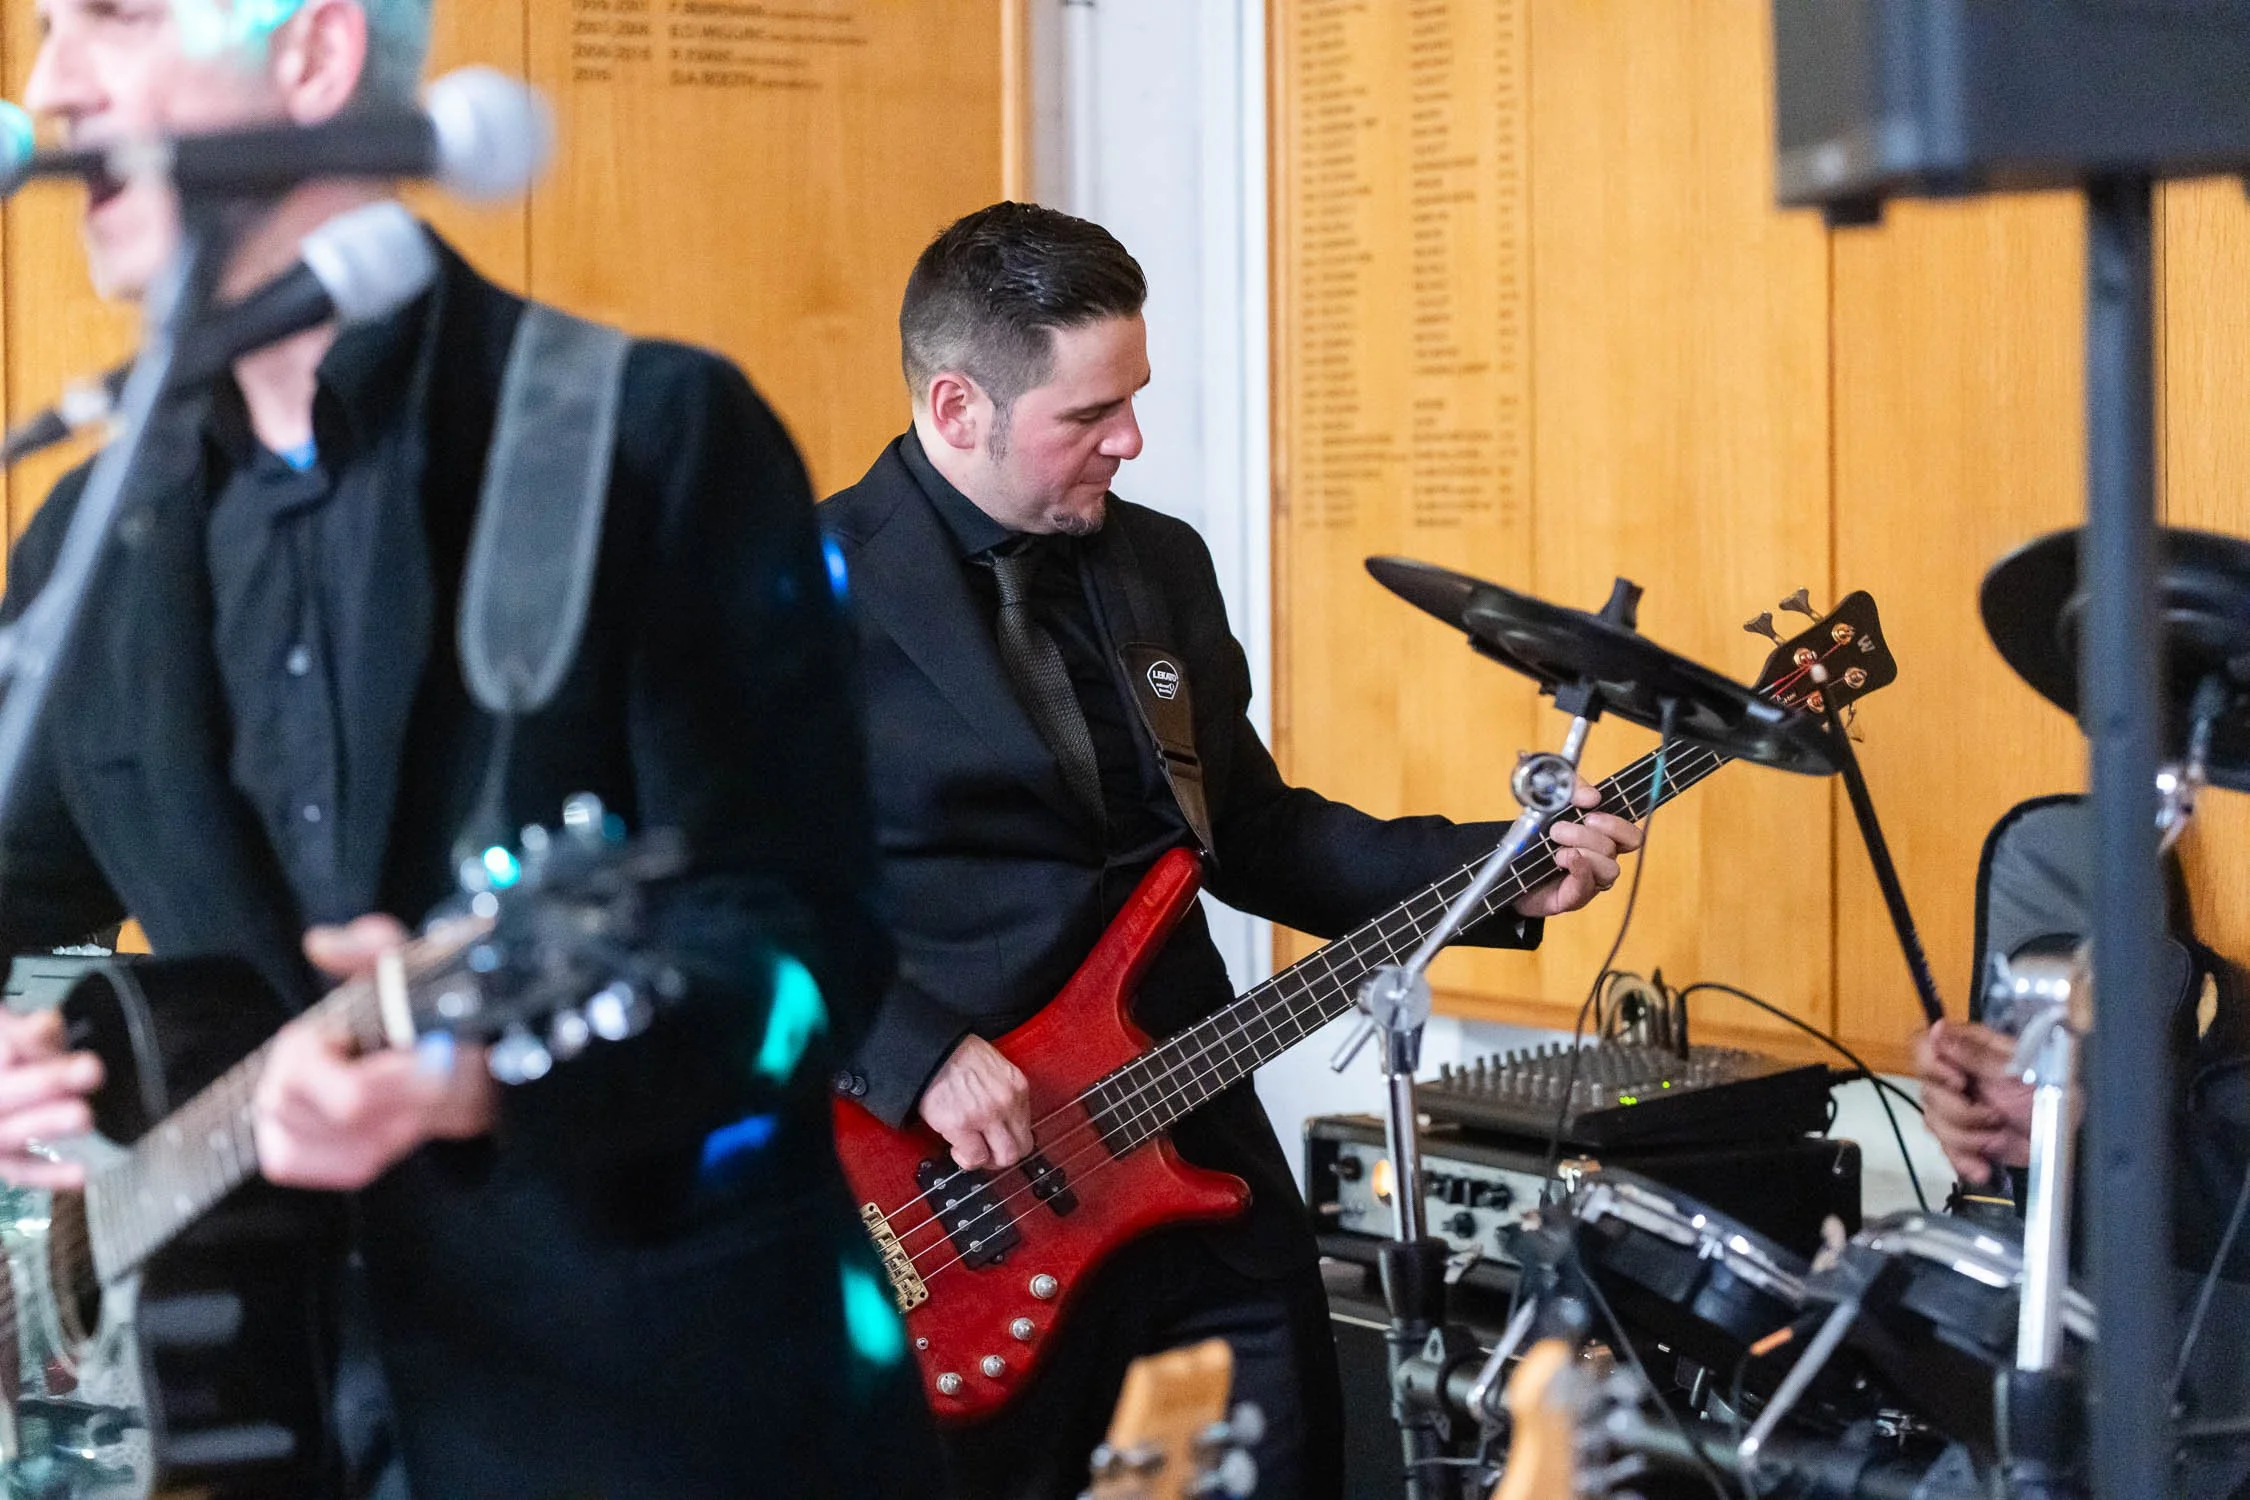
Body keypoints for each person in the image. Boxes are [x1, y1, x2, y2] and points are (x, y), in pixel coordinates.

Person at [0, 1, 939, 1495]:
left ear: (314, 56)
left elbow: (808, 953)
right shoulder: (87, 538)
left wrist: (487, 1086)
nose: (50, 82)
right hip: (284, 1424)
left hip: (668, 1428)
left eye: (110, 14)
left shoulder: (645, 437)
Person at [822, 201, 1645, 1500]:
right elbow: (711, 889)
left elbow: (1250, 834)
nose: (1130, 440)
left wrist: (1502, 870)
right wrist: (910, 1048)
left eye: (1133, 400)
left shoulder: (1156, 562)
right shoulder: (795, 590)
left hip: (1188, 1135)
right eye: (1090, 415)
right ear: (958, 407)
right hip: (952, 1193)